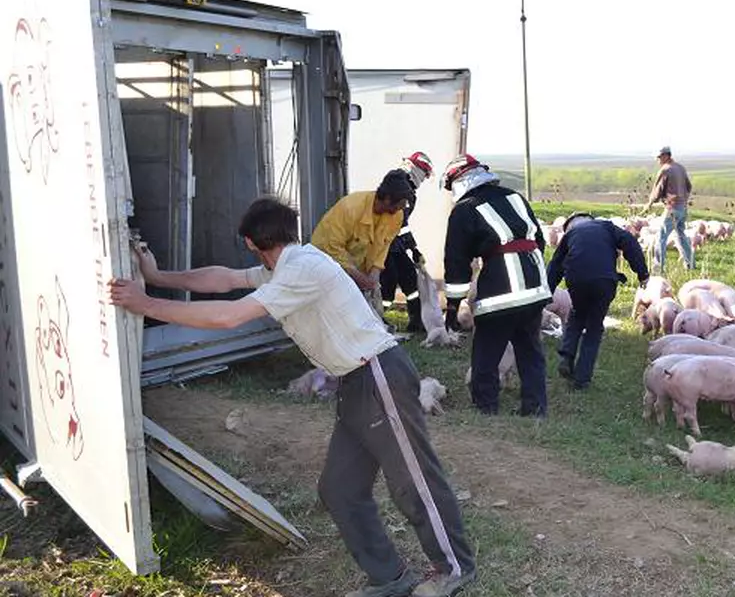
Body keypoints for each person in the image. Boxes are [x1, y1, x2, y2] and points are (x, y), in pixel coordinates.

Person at [108, 198, 476, 597]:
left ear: (251, 242)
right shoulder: (285, 267)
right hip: (353, 382)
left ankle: (453, 567)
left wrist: (146, 304)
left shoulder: (301, 270)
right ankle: (390, 577)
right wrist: (159, 275)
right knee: (340, 489)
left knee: (412, 480)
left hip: (377, 373)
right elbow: (223, 280)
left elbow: (228, 316)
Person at [441, 154, 552, 417]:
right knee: (530, 350)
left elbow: (456, 261)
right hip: (535, 289)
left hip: (501, 293)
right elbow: (538, 239)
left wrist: (453, 306)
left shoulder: (464, 210)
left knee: (486, 352)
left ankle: (486, 406)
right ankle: (535, 408)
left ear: (457, 182)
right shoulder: (515, 197)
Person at [546, 212, 650, 389]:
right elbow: (630, 243)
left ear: (570, 226)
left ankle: (567, 355)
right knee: (594, 327)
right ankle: (582, 378)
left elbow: (555, 265)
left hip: (577, 279)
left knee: (577, 315)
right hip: (604, 280)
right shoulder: (607, 227)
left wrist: (548, 290)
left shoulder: (570, 235)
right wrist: (642, 274)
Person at [311, 169, 415, 322]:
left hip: (353, 266)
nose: (402, 208)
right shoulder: (350, 208)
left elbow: (383, 247)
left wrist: (374, 276)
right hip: (323, 265)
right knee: (332, 315)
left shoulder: (396, 216)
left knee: (367, 314)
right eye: (400, 204)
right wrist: (359, 278)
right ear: (387, 198)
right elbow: (332, 249)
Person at [380, 151, 435, 333]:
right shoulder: (400, 183)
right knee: (389, 279)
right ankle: (377, 318)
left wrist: (413, 248)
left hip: (395, 243)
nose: (424, 178)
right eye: (425, 174)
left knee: (409, 278)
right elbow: (400, 223)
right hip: (384, 242)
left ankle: (416, 320)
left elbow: (402, 226)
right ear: (418, 170)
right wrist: (413, 248)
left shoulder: (402, 182)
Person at [644, 146, 695, 271]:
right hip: (682, 208)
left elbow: (657, 190)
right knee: (680, 235)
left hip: (672, 208)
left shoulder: (665, 170)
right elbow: (689, 186)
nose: (658, 160)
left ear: (667, 155)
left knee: (661, 236)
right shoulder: (680, 168)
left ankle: (657, 267)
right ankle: (690, 264)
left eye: (660, 157)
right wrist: (683, 199)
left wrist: (649, 203)